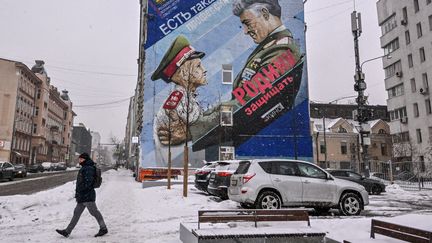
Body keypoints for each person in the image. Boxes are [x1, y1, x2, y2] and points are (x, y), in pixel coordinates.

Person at [231, 0, 302, 102]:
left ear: (265, 14)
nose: (245, 31)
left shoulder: (283, 49)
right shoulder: (268, 45)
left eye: (248, 23)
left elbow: (250, 100)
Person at [151, 35, 216, 146]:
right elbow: (198, 124)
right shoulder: (180, 97)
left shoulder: (186, 96)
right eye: (198, 66)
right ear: (184, 73)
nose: (204, 70)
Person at [56, 153, 107, 238]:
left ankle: (103, 228)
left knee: (94, 212)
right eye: (79, 159)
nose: (79, 160)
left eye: (81, 159)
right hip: (83, 196)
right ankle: (67, 231)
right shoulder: (85, 167)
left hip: (87, 196)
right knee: (76, 213)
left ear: (85, 159)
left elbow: (88, 182)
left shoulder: (88, 168)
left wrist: (81, 191)